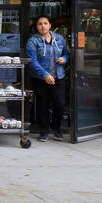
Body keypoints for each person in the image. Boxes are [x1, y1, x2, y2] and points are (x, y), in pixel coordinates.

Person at [26, 14, 70, 142]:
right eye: (40, 24)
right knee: (42, 105)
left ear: (50, 25)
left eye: (45, 23)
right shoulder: (33, 41)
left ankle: (56, 128)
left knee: (60, 103)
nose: (43, 26)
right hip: (40, 78)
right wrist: (45, 75)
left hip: (58, 76)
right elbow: (32, 61)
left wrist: (64, 59)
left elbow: (67, 53)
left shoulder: (59, 39)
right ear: (36, 27)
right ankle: (43, 131)